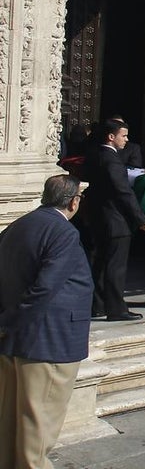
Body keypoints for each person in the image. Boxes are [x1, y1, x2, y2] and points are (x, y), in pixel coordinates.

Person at [0, 176, 94, 469]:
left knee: (11, 421)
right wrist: (12, 322)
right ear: (73, 201)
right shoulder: (63, 232)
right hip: (48, 340)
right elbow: (45, 287)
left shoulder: (18, 225)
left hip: (16, 340)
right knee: (38, 425)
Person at [85, 118, 145, 320]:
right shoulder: (111, 159)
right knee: (115, 267)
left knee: (100, 263)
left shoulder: (95, 154)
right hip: (116, 221)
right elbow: (122, 192)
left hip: (100, 218)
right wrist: (141, 218)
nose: (126, 139)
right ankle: (116, 309)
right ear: (111, 137)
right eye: (123, 135)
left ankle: (97, 305)